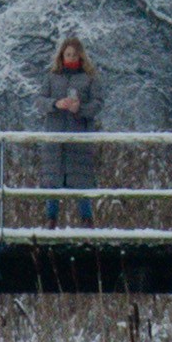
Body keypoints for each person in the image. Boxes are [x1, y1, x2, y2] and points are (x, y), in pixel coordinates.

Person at [36, 34, 103, 226]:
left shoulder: (90, 78)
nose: (71, 58)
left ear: (81, 56)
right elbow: (39, 101)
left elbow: (98, 103)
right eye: (68, 54)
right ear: (62, 56)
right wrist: (56, 104)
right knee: (53, 181)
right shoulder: (51, 77)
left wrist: (79, 109)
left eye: (75, 54)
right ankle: (51, 220)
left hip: (79, 136)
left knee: (81, 180)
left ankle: (87, 220)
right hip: (55, 137)